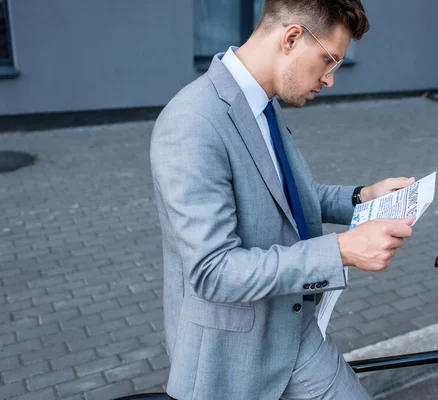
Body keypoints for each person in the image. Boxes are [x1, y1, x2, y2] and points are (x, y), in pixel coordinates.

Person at [150, 0, 414, 398]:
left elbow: (287, 198)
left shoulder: (262, 104)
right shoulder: (192, 122)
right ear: (291, 38)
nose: (330, 79)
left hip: (294, 328)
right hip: (235, 356)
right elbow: (213, 271)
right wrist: (340, 250)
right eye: (329, 60)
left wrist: (364, 196)